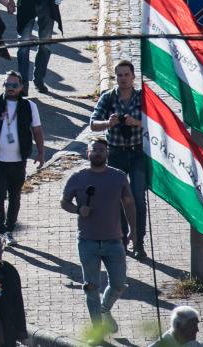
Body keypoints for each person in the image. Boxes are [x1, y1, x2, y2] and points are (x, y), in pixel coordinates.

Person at [61, 137, 134, 333]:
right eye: (94, 150)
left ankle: (105, 310)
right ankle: (97, 330)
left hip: (114, 240)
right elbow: (64, 202)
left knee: (119, 283)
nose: (98, 153)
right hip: (87, 242)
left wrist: (135, 232)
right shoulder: (77, 177)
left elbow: (129, 204)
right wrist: (78, 210)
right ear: (88, 153)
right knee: (91, 287)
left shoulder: (118, 177)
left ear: (107, 153)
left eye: (102, 150)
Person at [0, 72, 46, 241]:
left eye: (14, 85)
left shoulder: (29, 106)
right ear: (3, 85)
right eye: (7, 85)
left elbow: (37, 131)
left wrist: (41, 152)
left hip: (18, 161)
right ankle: (0, 230)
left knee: (15, 196)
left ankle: (10, 229)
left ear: (21, 87)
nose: (10, 88)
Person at [90, 59, 147, 258]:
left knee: (138, 199)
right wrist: (108, 123)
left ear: (133, 76)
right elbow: (93, 124)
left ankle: (139, 242)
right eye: (119, 75)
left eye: (126, 75)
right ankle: (122, 242)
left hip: (138, 153)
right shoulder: (108, 98)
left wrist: (136, 122)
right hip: (116, 153)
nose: (123, 79)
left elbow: (155, 122)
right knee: (119, 199)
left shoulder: (142, 97)